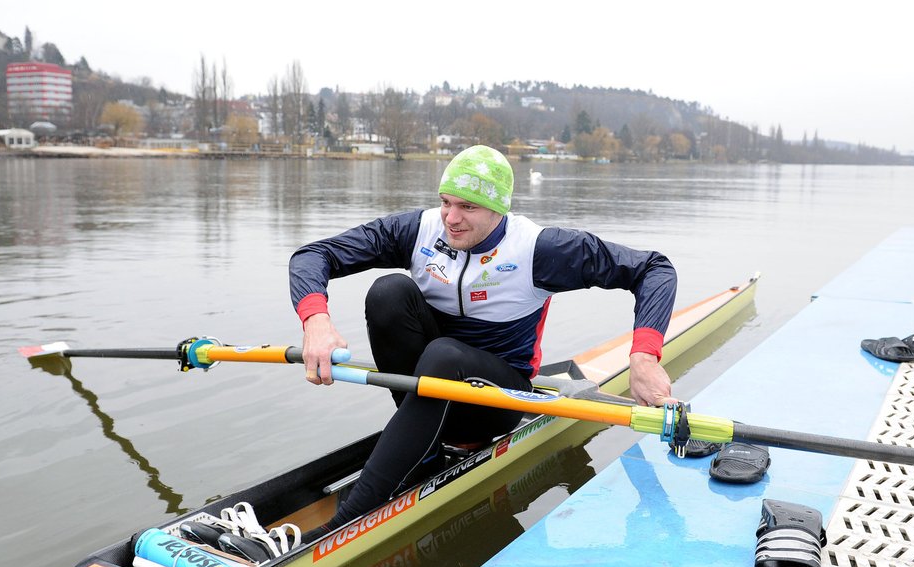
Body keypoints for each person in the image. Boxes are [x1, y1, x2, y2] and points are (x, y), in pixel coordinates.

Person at [289, 145, 677, 542]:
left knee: (442, 354)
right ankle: (423, 452)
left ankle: (344, 524)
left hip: (497, 402)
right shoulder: (418, 231)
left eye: (468, 208)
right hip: (430, 384)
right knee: (388, 293)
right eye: (445, 203)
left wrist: (644, 357)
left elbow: (653, 269)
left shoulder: (540, 249)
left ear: (498, 210)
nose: (451, 219)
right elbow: (313, 254)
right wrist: (315, 320)